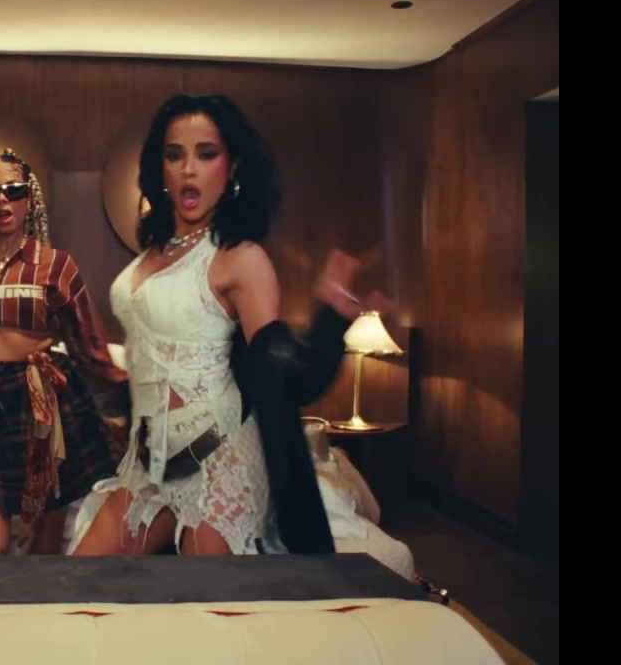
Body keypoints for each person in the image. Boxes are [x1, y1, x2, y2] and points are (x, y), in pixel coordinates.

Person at [67, 93, 390, 557]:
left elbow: (281, 371)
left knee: (208, 596)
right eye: (174, 155)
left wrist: (329, 321)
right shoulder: (154, 251)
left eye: (206, 154)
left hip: (220, 457)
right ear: (161, 169)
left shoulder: (241, 257)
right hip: (149, 464)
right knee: (77, 576)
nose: (189, 169)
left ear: (232, 167)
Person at [0, 149, 130, 556]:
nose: (3, 200)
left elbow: (88, 344)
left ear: (30, 198)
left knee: (42, 549)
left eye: (14, 190)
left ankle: (43, 599)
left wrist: (132, 395)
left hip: (39, 403)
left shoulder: (55, 265)